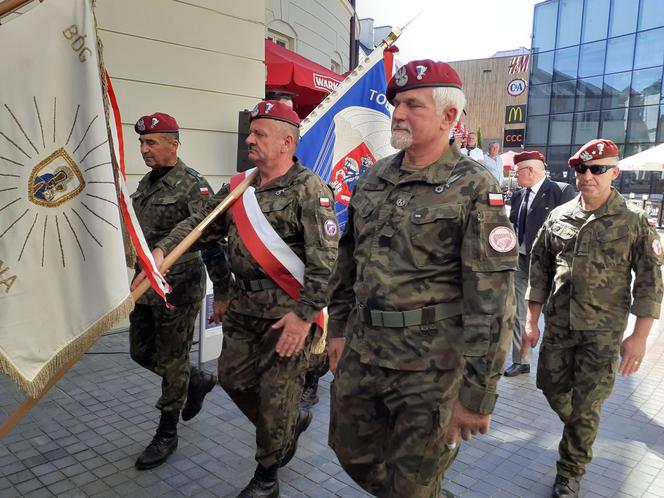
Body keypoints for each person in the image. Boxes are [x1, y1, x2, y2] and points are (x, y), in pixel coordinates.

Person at [327, 59, 517, 498]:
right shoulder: (374, 177)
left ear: (450, 117)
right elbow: (347, 261)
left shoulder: (473, 187)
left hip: (430, 369)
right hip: (364, 353)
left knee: (413, 482)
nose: (398, 113)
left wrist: (478, 394)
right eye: (397, 103)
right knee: (350, 452)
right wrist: (337, 330)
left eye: (413, 104)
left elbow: (493, 300)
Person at [139, 101, 339, 498]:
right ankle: (285, 428)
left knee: (276, 397)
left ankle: (266, 476)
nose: (248, 139)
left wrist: (304, 317)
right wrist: (162, 250)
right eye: (250, 132)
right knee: (232, 379)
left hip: (287, 315)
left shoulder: (309, 190)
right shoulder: (238, 187)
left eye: (258, 134)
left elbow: (326, 264)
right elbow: (202, 225)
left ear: (286, 142)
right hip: (245, 312)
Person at [522, 139, 663, 498]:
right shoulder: (559, 216)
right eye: (581, 169)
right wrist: (530, 319)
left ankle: (570, 471)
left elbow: (649, 280)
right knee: (551, 388)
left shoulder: (632, 222)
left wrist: (640, 337)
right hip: (559, 327)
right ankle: (582, 428)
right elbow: (539, 269)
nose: (587, 176)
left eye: (597, 169)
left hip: (602, 335)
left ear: (614, 173)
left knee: (588, 405)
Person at [128, 113, 220, 470]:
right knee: (140, 352)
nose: (144, 150)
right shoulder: (146, 184)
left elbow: (206, 235)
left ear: (174, 144)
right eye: (141, 143)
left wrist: (223, 290)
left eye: (151, 143)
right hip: (145, 284)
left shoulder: (193, 185)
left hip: (178, 286)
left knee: (173, 357)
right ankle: (194, 379)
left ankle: (167, 432)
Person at [504, 151, 576, 377]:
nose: (515, 176)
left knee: (555, 315)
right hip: (522, 262)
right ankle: (521, 360)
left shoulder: (561, 192)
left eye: (518, 172)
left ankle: (559, 364)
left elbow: (572, 231)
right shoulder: (518, 196)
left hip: (551, 267)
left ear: (531, 171)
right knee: (519, 313)